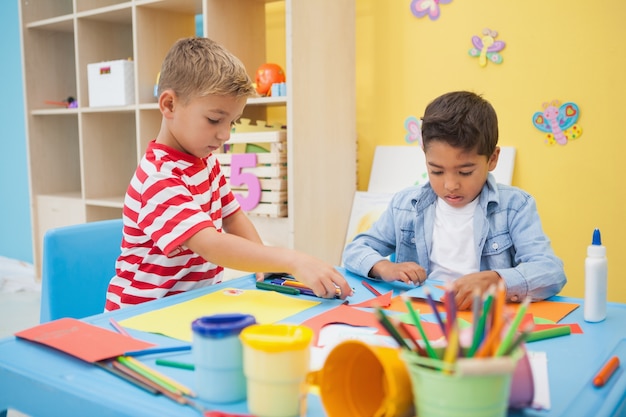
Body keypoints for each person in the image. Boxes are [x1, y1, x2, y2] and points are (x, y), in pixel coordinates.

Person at [105, 37, 352, 311]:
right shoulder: (157, 178)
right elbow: (210, 243)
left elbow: (233, 217)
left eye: (231, 122)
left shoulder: (206, 162)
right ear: (169, 105)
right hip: (140, 315)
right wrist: (290, 260)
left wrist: (266, 264)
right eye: (214, 120)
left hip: (191, 306)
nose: (224, 134)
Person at [342, 91, 566, 310]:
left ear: (493, 159)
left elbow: (551, 272)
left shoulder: (515, 206)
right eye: (437, 171)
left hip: (483, 322)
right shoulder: (405, 205)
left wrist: (497, 280)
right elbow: (355, 250)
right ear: (425, 156)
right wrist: (383, 267)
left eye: (465, 172)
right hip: (421, 316)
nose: (450, 185)